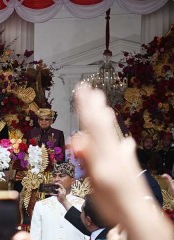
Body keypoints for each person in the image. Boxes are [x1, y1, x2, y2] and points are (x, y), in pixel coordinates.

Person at [72, 87, 174, 240]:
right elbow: (93, 224)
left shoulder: (146, 184)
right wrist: (64, 202)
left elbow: (148, 228)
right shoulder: (109, 185)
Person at [30, 162, 86, 240]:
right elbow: (35, 236)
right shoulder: (41, 205)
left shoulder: (82, 204)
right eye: (54, 176)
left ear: (73, 181)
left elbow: (88, 235)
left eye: (61, 176)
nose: (56, 179)